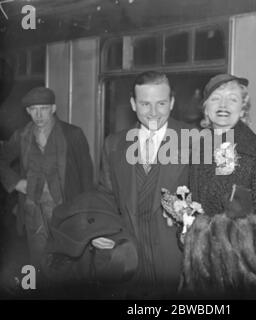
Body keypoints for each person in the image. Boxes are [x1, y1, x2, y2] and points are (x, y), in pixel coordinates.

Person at [188, 74, 256, 296]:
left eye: (232, 99)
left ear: (242, 110)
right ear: (206, 109)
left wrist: (222, 245)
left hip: (242, 281)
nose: (223, 105)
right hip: (201, 279)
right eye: (216, 98)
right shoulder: (197, 151)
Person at [97, 71, 193, 298]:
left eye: (161, 103)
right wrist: (100, 230)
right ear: (132, 104)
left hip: (177, 263)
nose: (153, 112)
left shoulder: (194, 140)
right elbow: (106, 195)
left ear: (171, 103)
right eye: (144, 104)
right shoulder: (113, 144)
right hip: (130, 260)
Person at [0, 87, 94, 268]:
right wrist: (15, 182)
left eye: (43, 108)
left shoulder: (73, 134)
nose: (39, 115)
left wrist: (86, 215)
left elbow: (86, 176)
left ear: (53, 108)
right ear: (28, 111)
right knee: (38, 261)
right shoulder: (22, 135)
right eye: (34, 109)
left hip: (65, 208)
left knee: (67, 261)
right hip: (32, 209)